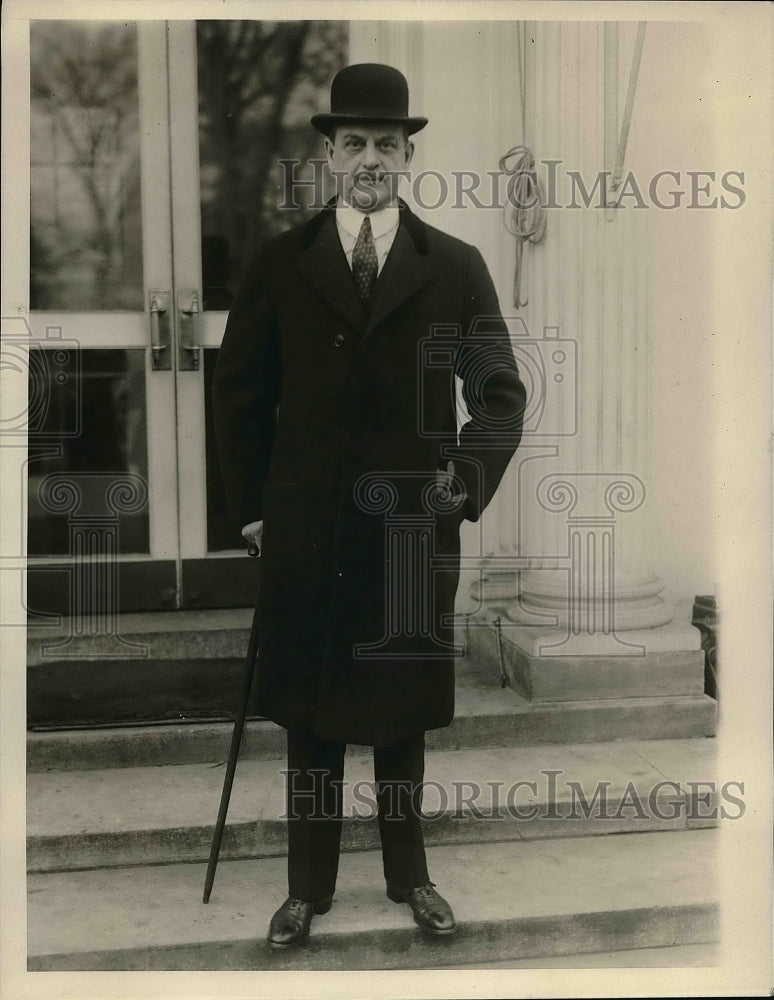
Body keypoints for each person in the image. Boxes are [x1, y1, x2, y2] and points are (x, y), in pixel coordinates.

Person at [212, 63, 526, 949]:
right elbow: (237, 398)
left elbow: (500, 392)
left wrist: (460, 481)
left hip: (406, 531)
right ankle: (306, 889)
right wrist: (250, 512)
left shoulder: (454, 268)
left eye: (387, 145)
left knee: (399, 712)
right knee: (311, 716)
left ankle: (410, 878)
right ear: (329, 154)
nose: (370, 160)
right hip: (306, 531)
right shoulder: (281, 265)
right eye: (354, 144)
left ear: (407, 156)